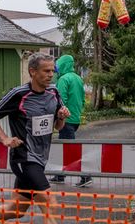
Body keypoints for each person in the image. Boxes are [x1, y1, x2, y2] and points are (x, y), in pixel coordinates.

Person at [0, 53, 70, 224]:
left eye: (52, 71)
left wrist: (61, 117)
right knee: (49, 202)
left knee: (16, 209)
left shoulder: (53, 92)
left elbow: (58, 127)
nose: (50, 75)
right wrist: (4, 138)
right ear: (32, 71)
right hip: (24, 158)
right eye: (46, 71)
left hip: (40, 158)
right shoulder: (19, 94)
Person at [49, 54, 91, 187]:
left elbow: (60, 100)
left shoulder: (63, 79)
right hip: (75, 118)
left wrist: (58, 116)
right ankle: (60, 176)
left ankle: (85, 176)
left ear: (62, 65)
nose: (56, 70)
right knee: (66, 148)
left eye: (57, 66)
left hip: (65, 119)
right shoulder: (78, 78)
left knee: (70, 150)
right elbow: (83, 99)